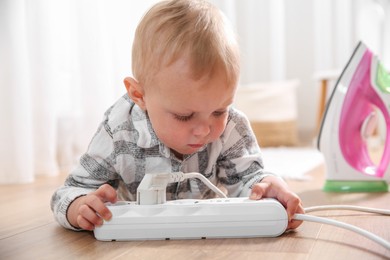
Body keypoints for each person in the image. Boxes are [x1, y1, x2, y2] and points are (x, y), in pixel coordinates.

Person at [51, 0, 304, 232]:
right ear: (139, 95)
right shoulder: (118, 131)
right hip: (142, 237)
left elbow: (250, 179)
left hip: (207, 234)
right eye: (184, 116)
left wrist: (268, 188)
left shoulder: (231, 126)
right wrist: (79, 207)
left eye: (219, 110)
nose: (204, 130)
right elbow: (69, 192)